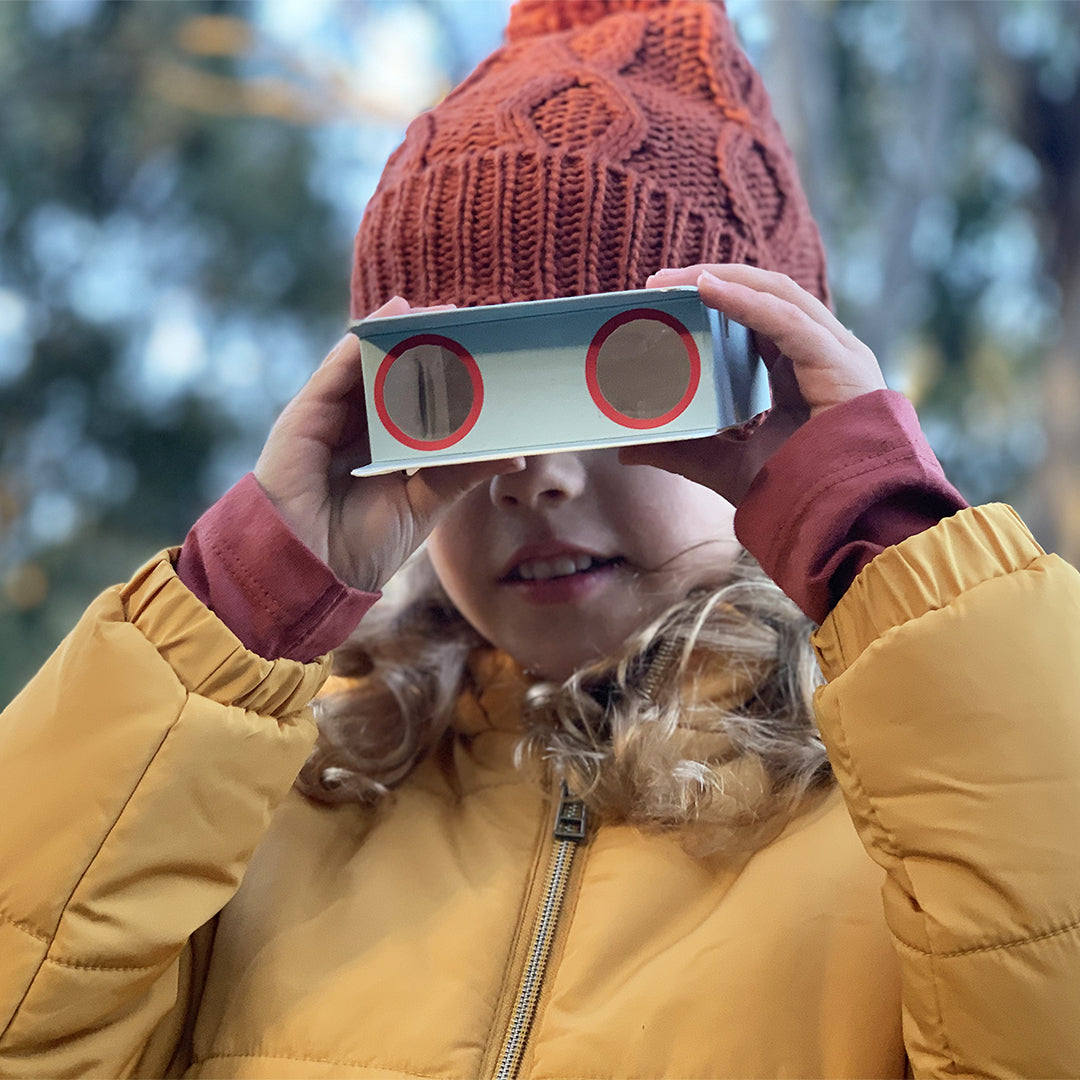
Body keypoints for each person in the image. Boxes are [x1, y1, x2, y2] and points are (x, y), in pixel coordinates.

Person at [2, 2, 1078, 1077]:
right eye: (454, 396)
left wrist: (882, 542)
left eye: (631, 387)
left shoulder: (922, 814)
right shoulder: (264, 804)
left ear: (772, 397)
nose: (542, 476)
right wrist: (242, 602)